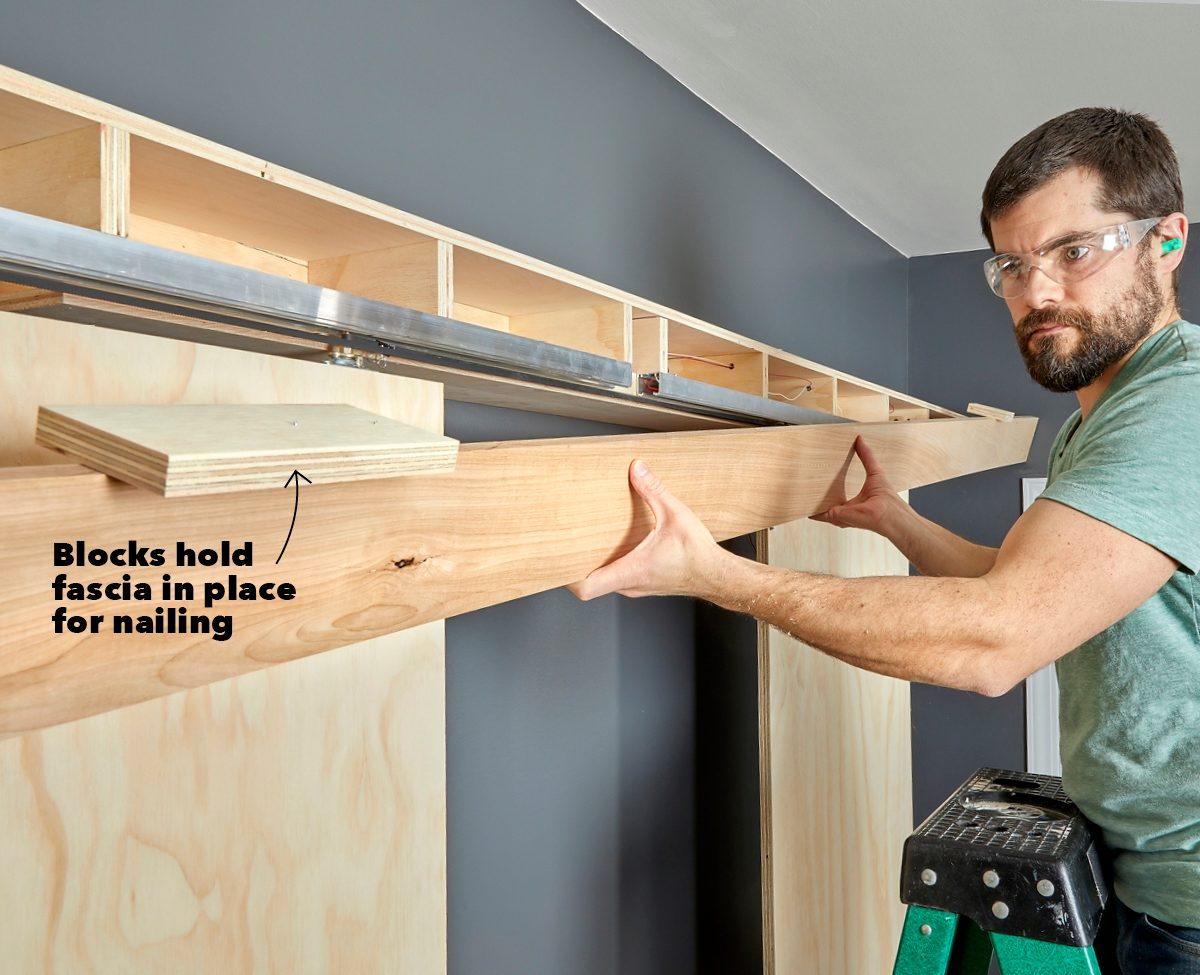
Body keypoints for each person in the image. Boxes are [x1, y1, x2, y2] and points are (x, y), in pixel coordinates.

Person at [571, 108, 1199, 973]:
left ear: (1166, 242)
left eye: (1073, 251)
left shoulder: (1174, 408)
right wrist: (895, 519)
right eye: (1012, 265)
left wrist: (716, 575)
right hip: (1152, 882)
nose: (1038, 291)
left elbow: (996, 639)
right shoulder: (1102, 415)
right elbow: (1049, 589)